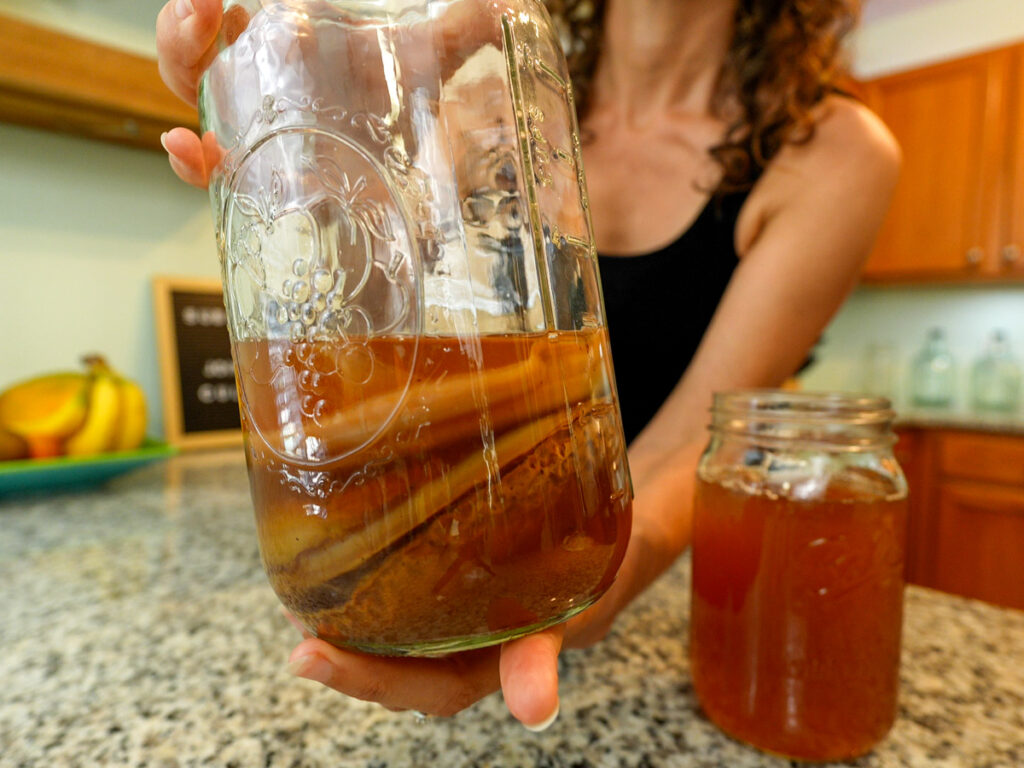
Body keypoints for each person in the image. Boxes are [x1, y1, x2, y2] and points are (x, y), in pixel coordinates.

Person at [156, 0, 899, 732]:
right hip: (434, 542)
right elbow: (381, 346)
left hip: (626, 570)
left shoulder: (836, 153)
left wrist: (593, 586)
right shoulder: (479, 86)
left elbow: (691, 442)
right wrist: (318, 139)